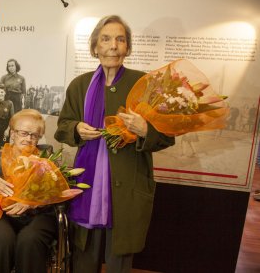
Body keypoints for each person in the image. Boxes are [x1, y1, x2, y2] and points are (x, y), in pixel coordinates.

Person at [54, 15, 175, 273]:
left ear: (127, 47)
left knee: (120, 262)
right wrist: (75, 128)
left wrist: (145, 129)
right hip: (88, 186)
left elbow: (167, 136)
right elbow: (62, 127)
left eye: (120, 39)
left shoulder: (143, 84)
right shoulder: (79, 85)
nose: (113, 45)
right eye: (106, 39)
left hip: (127, 190)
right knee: (84, 259)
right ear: (95, 46)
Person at [0, 109, 56, 273]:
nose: (29, 139)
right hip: (1, 214)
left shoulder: (47, 160)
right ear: (13, 133)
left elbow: (60, 195)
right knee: (2, 239)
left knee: (30, 239)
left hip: (39, 216)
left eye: (34, 135)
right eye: (24, 133)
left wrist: (32, 202)